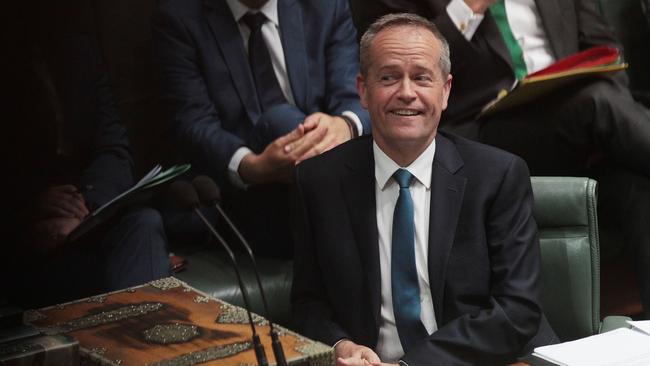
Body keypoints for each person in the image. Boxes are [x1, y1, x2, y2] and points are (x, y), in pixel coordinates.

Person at [350, 0, 650, 318]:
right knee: (596, 102)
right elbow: (406, 70)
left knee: (638, 183)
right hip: (485, 127)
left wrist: (616, 129)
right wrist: (469, 9)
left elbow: (605, 51)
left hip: (578, 124)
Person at [291, 13, 557, 366]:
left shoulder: (499, 175)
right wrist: (340, 345)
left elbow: (516, 312)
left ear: (445, 91)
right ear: (363, 91)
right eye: (388, 77)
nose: (406, 92)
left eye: (421, 78)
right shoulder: (318, 181)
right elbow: (308, 304)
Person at [153, 0, 369, 257]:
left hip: (325, 166)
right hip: (238, 194)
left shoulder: (324, 6)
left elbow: (356, 95)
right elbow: (193, 122)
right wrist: (250, 167)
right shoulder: (181, 17)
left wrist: (344, 125)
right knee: (282, 121)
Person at [3, 0, 170, 308]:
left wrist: (84, 214)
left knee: (142, 224)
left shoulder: (76, 47)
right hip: (19, 237)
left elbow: (113, 147)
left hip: (83, 222)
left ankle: (144, 348)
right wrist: (30, 208)